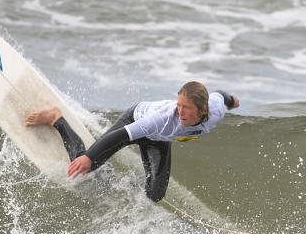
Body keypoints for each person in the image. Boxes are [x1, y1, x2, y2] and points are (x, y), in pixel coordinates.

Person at [25, 81, 240, 202]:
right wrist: (90, 158)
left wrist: (232, 100)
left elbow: (221, 95)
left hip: (159, 139)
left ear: (202, 110)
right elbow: (123, 135)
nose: (180, 111)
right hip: (136, 120)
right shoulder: (164, 117)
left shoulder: (215, 111)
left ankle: (125, 191)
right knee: (83, 166)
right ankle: (56, 118)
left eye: (186, 108)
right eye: (179, 104)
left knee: (155, 195)